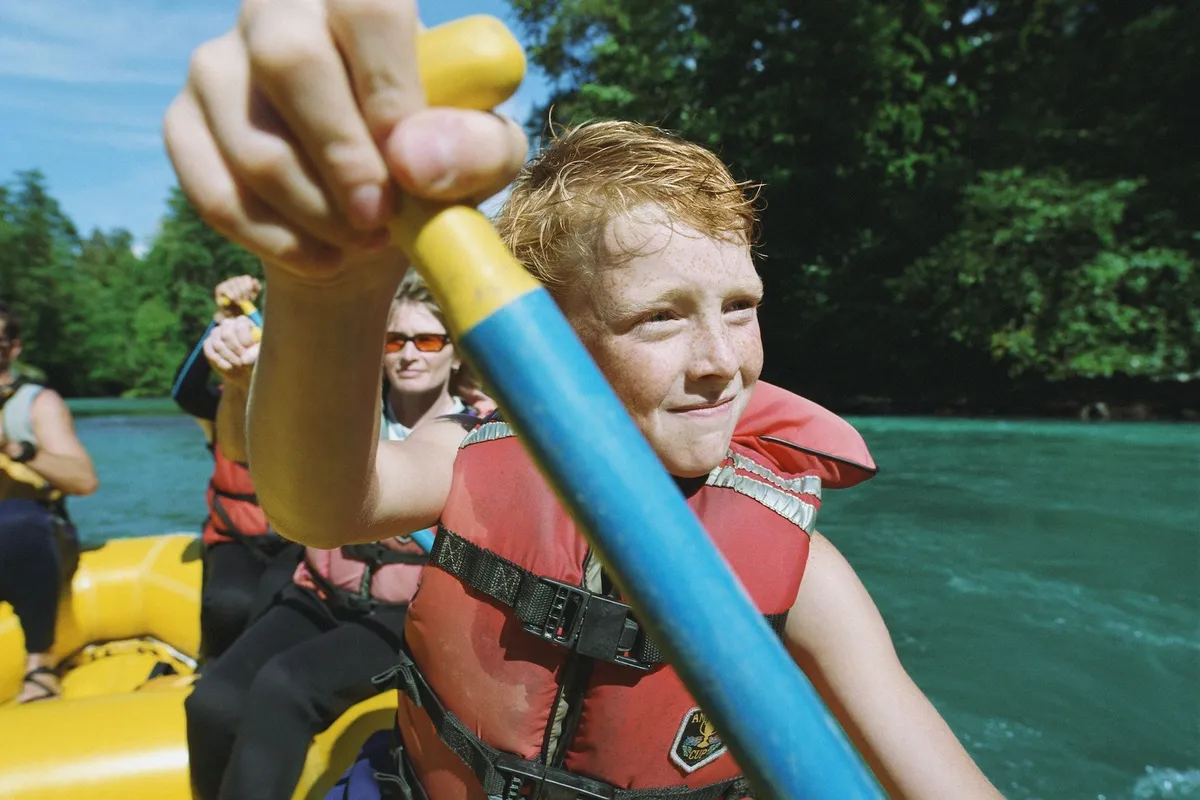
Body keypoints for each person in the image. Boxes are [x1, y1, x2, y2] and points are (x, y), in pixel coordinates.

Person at [164, 4, 1004, 799]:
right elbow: (319, 504)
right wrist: (329, 288)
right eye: (659, 317)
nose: (721, 363)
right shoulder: (468, 461)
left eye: (740, 306)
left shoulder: (806, 578)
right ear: (551, 344)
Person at [184, 270, 480, 800]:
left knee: (284, 688)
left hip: (404, 618)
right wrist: (240, 384)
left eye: (429, 340)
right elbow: (237, 452)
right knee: (211, 702)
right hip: (319, 594)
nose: (410, 354)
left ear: (455, 354)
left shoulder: (474, 433)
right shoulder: (347, 417)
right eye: (394, 340)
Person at [171, 276, 302, 662]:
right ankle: (211, 666)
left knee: (279, 601)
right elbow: (183, 388)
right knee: (227, 602)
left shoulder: (302, 403)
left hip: (296, 537)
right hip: (234, 538)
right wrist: (220, 319)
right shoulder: (217, 405)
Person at [0, 302, 98, 702]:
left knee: (18, 519)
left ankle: (39, 663)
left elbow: (84, 480)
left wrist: (14, 448)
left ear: (14, 348)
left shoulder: (38, 403)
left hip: (34, 531)